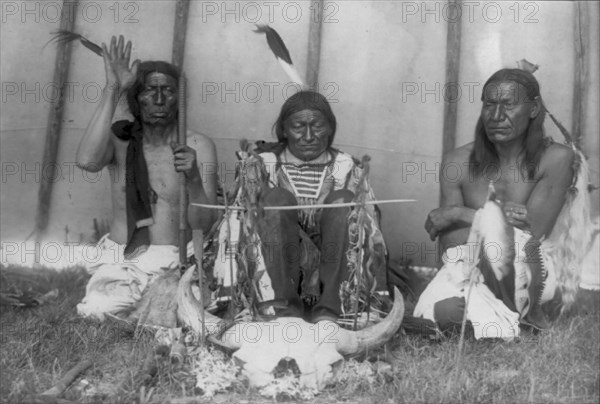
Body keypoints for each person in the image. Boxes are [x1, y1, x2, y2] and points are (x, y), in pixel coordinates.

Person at [414, 68, 578, 340]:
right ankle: (480, 318)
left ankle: (486, 317)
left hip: (530, 269)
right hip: (465, 266)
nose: (497, 116)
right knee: (441, 310)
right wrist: (500, 221)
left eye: (509, 105)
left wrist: (461, 213)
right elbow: (451, 241)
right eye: (490, 105)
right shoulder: (457, 160)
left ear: (534, 108)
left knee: (454, 308)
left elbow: (533, 235)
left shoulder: (556, 159)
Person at [75, 36, 218, 321]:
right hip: (124, 259)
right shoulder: (120, 140)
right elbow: (86, 162)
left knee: (195, 311)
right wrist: (114, 87)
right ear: (135, 98)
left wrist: (193, 180)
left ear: (180, 98)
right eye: (150, 91)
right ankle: (145, 303)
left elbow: (204, 223)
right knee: (99, 309)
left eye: (168, 91)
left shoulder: (198, 146)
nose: (160, 99)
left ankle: (158, 301)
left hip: (178, 258)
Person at [233, 90, 386, 323]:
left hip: (333, 270)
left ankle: (334, 311)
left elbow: (368, 232)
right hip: (276, 270)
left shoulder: (348, 168)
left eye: (317, 126)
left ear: (330, 129)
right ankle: (281, 310)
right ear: (283, 130)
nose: (308, 136)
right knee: (274, 201)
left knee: (345, 201)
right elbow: (239, 226)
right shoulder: (262, 167)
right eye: (297, 127)